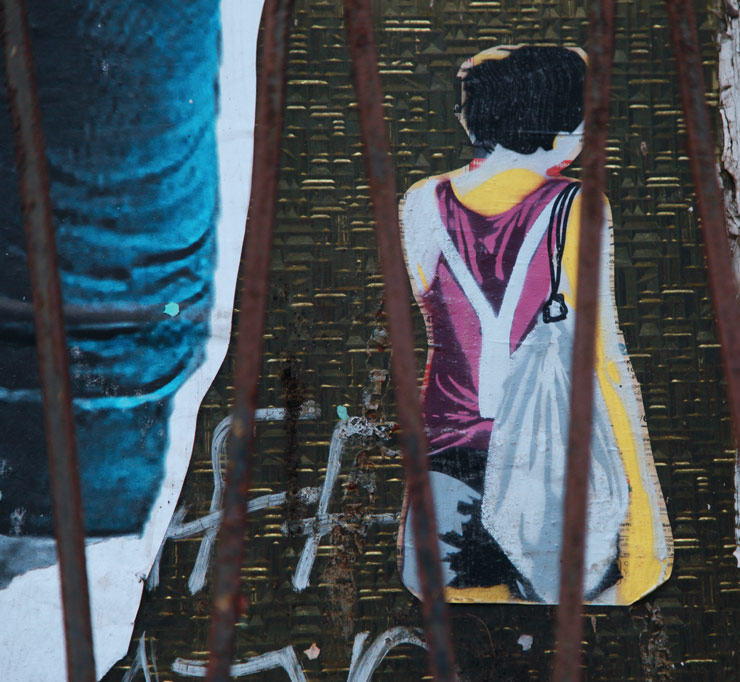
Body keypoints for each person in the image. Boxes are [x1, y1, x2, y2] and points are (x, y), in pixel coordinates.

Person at [398, 45, 673, 604]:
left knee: (459, 621)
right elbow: (604, 356)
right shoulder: (579, 208)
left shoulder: (421, 203)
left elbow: (434, 323)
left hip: (445, 456)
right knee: (563, 617)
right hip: (545, 461)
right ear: (555, 123)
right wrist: (645, 510)